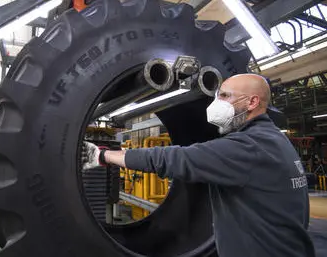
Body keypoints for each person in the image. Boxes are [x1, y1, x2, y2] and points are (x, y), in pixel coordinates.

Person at [82, 73, 315, 257]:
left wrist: (104, 156)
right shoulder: (274, 138)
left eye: (224, 96)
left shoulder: (248, 147)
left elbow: (172, 159)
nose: (217, 103)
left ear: (252, 102)